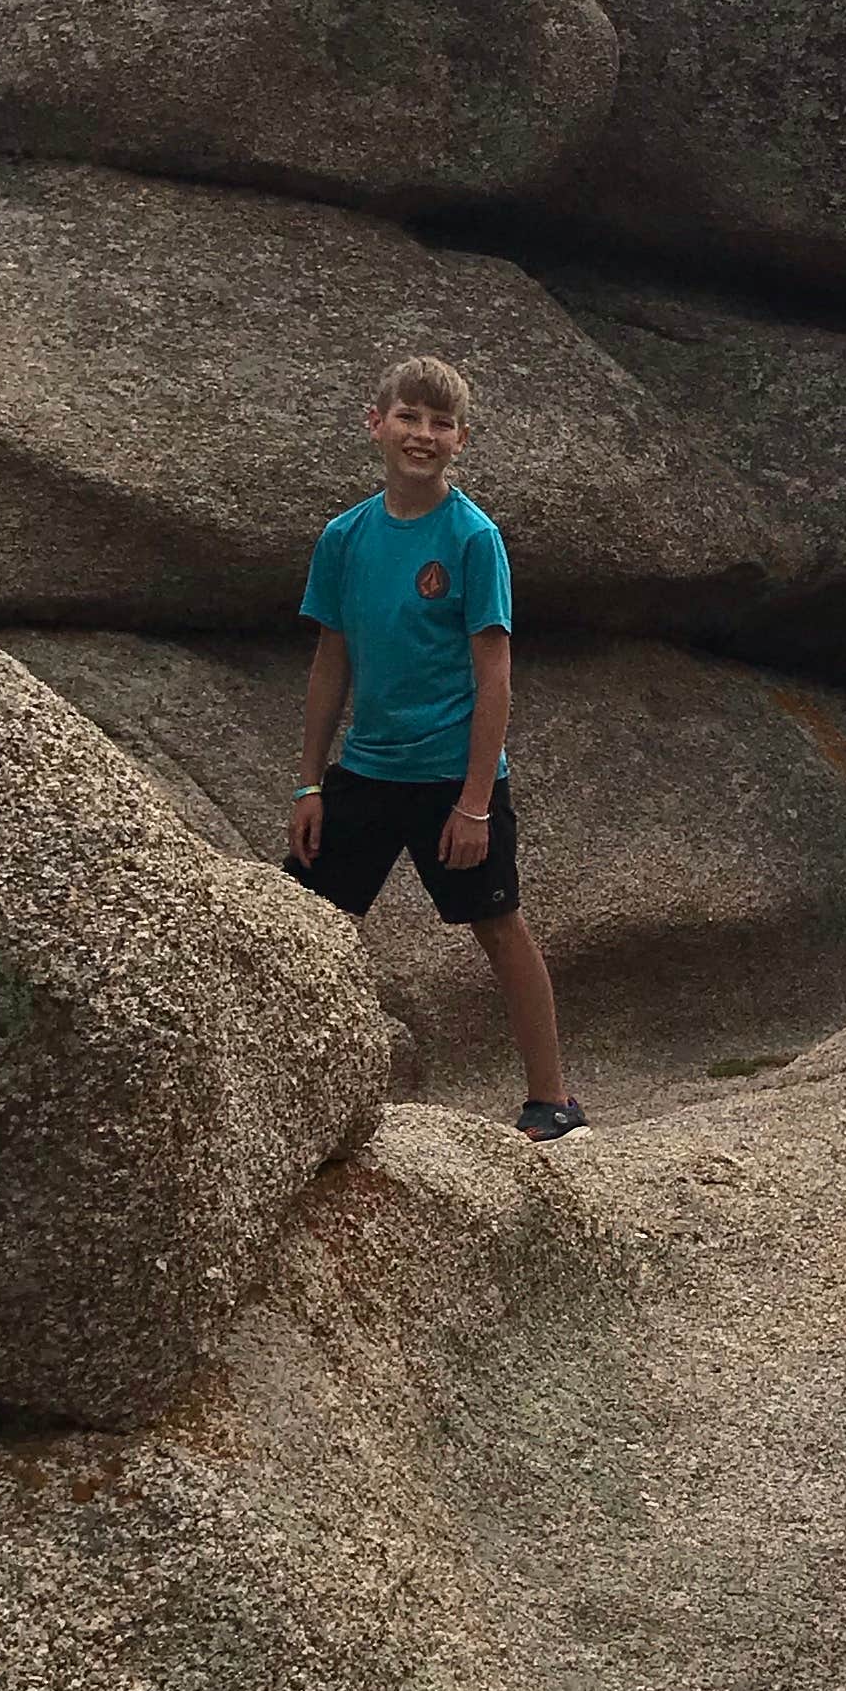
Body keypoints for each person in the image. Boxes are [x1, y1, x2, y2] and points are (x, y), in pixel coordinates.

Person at [283, 353, 586, 1140]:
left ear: (461, 440)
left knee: (498, 923)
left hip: (454, 777)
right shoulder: (344, 538)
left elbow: (495, 676)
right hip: (368, 771)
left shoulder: (472, 538)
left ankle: (552, 1099)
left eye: (440, 423)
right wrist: (309, 785)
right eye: (409, 418)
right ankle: (283, 1088)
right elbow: (330, 662)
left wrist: (476, 803)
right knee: (303, 924)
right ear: (374, 423)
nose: (423, 434)